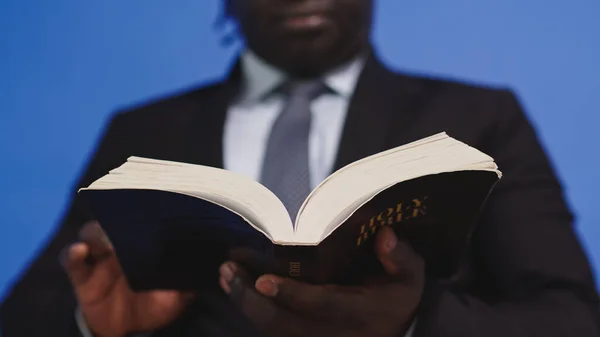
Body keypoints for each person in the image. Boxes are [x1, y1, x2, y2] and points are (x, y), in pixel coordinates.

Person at [2, 0, 599, 336]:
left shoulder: (479, 118)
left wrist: (416, 322)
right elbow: (24, 317)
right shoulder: (143, 131)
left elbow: (572, 319)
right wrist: (90, 325)